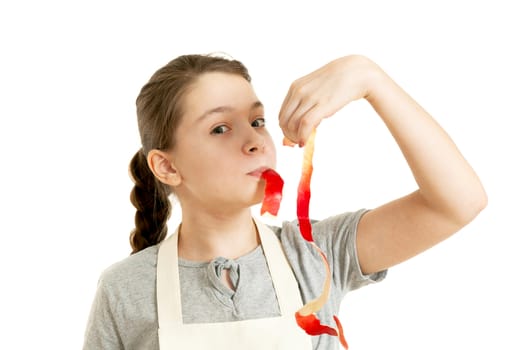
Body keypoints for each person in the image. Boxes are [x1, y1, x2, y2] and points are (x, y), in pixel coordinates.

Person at [83, 53, 487, 349]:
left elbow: (458, 202)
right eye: (221, 128)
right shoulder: (124, 289)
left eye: (257, 121)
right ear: (167, 167)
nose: (255, 140)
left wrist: (368, 78)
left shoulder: (316, 253)